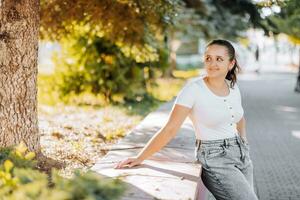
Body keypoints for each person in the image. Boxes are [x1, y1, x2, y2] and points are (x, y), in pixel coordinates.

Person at [115, 39, 259, 200]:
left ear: (231, 64)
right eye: (208, 58)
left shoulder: (232, 87)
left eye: (219, 59)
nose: (212, 63)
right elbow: (170, 129)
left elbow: (240, 118)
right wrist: (140, 157)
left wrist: (244, 141)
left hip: (241, 154)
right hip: (214, 158)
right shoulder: (193, 90)